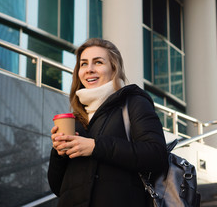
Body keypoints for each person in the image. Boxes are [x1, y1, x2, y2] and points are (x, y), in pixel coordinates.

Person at [48, 38, 168, 207]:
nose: (89, 69)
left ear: (113, 68)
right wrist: (58, 153)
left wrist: (95, 147)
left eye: (98, 62)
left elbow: (156, 155)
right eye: (83, 64)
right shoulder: (76, 120)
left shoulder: (133, 102)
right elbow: (58, 187)